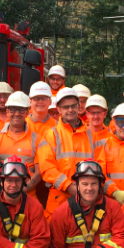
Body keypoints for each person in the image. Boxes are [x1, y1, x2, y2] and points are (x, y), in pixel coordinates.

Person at [36, 87, 106, 221]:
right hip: (59, 199)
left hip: (88, 199)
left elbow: (101, 165)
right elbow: (47, 168)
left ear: (79, 106)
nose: (70, 110)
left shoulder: (93, 136)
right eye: (66, 107)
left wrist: (87, 188)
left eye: (73, 106)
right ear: (58, 108)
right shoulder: (50, 135)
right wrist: (68, 185)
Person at [0, 92, 41, 198]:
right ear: (7, 112)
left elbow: (39, 173)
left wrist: (19, 192)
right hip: (0, 197)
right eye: (13, 109)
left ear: (27, 112)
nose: (17, 113)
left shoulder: (38, 139)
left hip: (28, 198)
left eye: (21, 110)